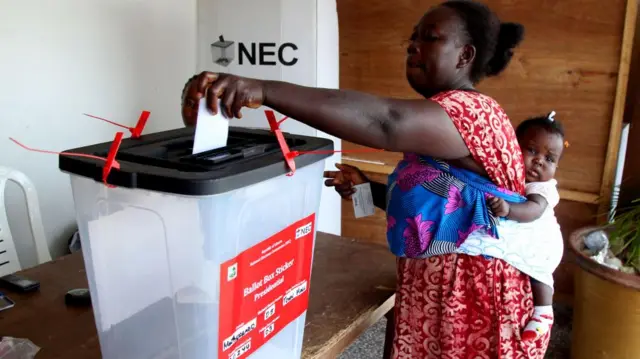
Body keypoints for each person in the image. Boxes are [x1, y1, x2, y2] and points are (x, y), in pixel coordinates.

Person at [180, 0, 550, 357]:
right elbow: (450, 206)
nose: (413, 47)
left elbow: (385, 121)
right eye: (413, 38)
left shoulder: (473, 112)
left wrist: (263, 90)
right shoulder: (444, 119)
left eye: (430, 37)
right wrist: (367, 191)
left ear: (465, 56)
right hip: (437, 293)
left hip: (471, 303)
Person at [487, 111, 566, 341]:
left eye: (550, 159)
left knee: (538, 271)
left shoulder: (543, 188)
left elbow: (534, 209)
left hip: (543, 240)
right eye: (532, 150)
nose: (539, 161)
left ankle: (544, 312)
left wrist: (508, 210)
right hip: (526, 236)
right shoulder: (510, 175)